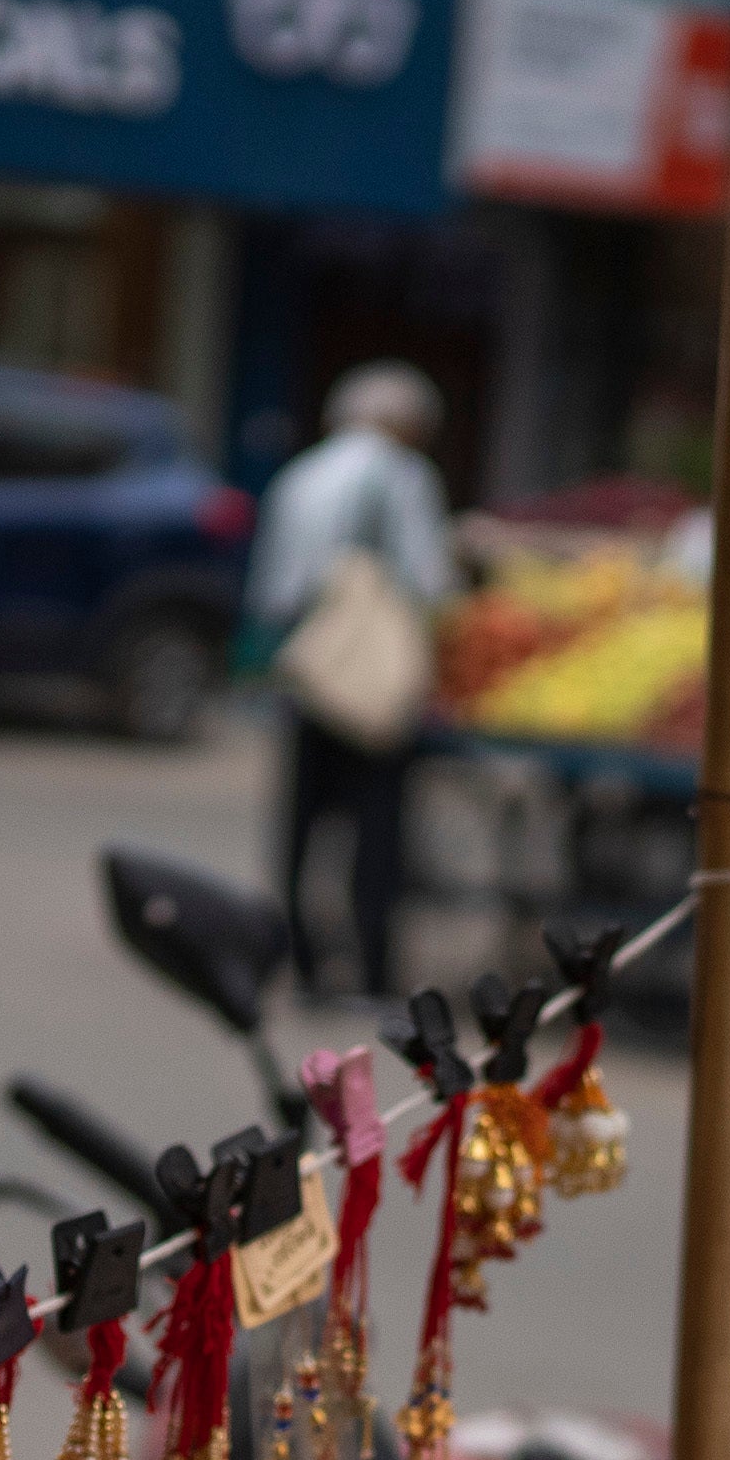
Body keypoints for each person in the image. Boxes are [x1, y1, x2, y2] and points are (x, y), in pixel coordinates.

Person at [249, 361, 453, 1002]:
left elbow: (270, 591)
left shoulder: (299, 475)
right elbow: (428, 581)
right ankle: (370, 964)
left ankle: (304, 960)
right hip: (369, 680)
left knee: (303, 826)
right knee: (375, 828)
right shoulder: (403, 477)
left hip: (309, 673)